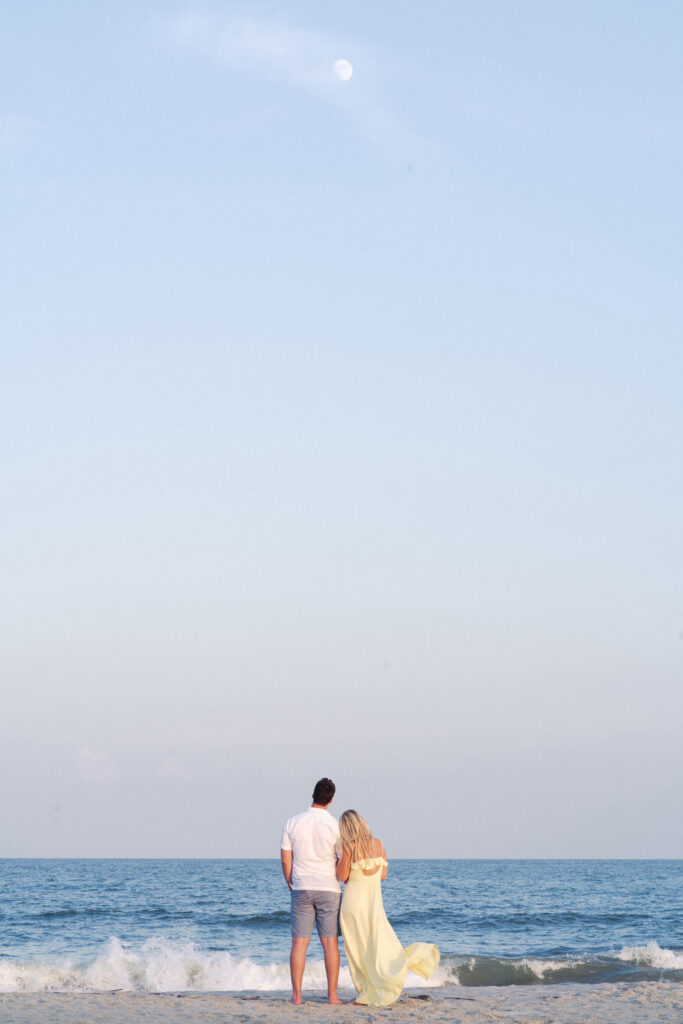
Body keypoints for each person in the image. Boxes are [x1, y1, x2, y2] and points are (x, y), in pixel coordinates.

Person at [336, 809, 440, 1006]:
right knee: (378, 946)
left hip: (353, 905)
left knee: (358, 950)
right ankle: (379, 984)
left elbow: (342, 877)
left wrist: (340, 858)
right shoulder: (379, 844)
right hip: (374, 905)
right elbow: (383, 875)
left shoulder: (349, 847)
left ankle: (365, 991)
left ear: (346, 828)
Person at [281, 778, 342, 1005]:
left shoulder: (293, 822)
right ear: (331, 799)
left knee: (299, 944)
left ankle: (297, 996)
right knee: (330, 944)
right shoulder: (335, 825)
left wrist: (290, 880)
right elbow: (340, 859)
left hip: (302, 886)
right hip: (328, 887)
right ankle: (333, 996)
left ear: (313, 795)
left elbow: (286, 856)